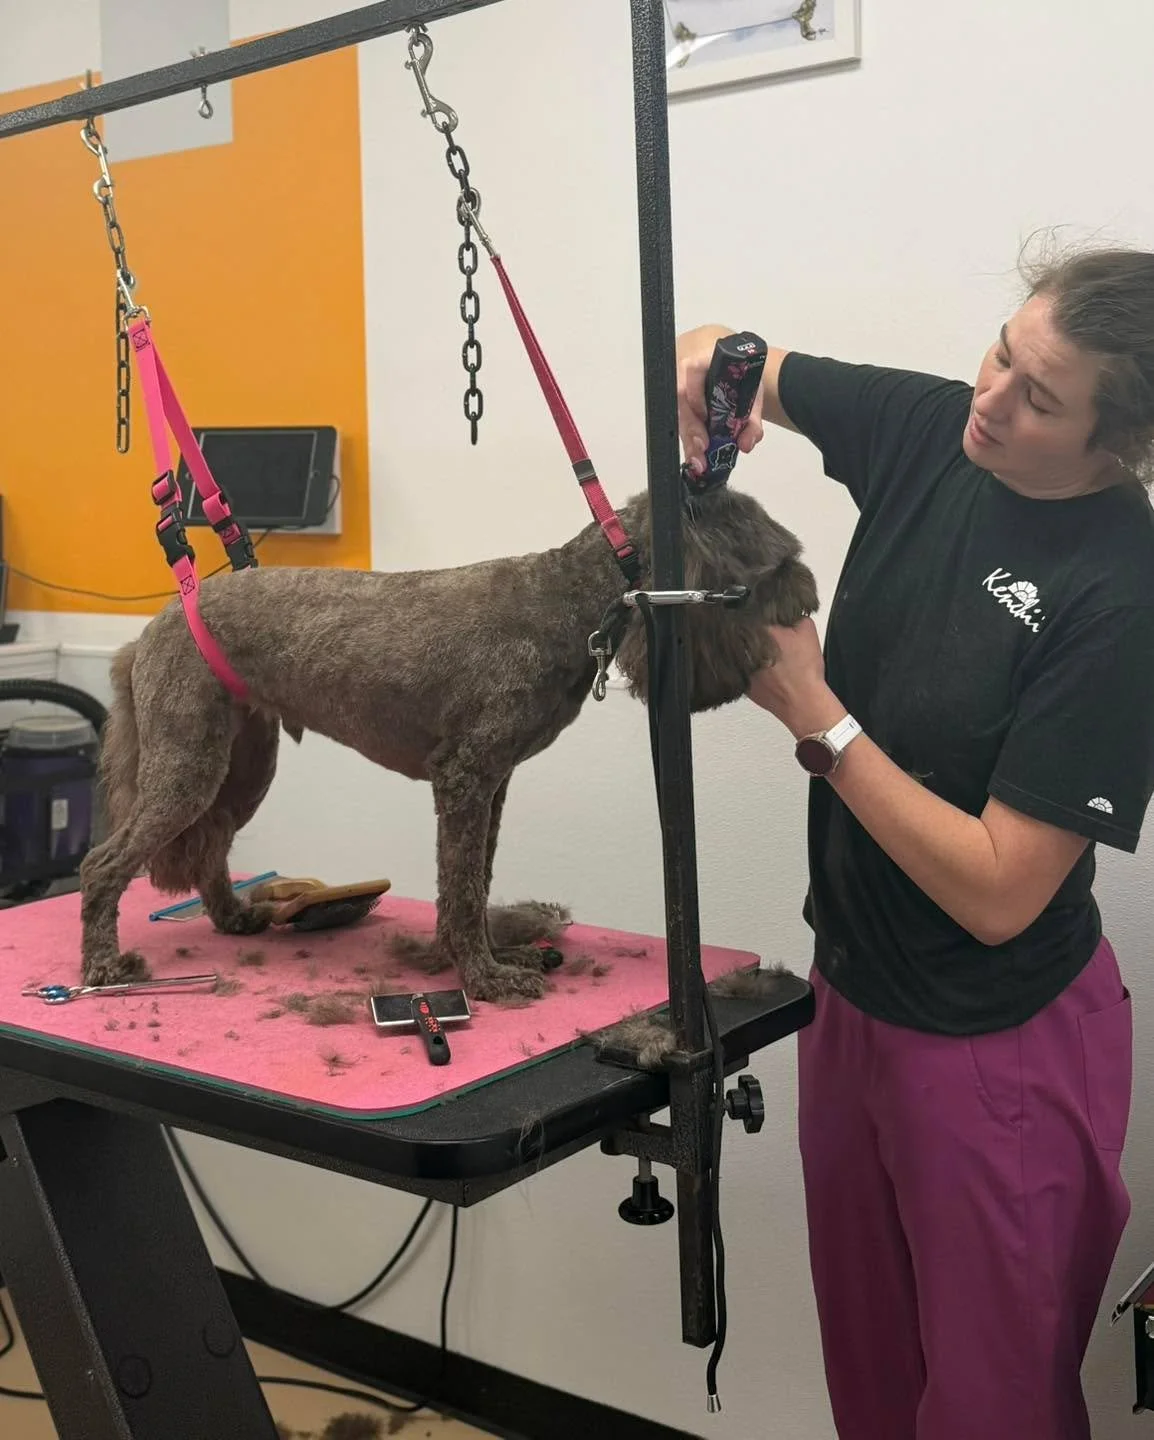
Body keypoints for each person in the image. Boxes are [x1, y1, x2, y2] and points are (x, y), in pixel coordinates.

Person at [675, 243, 1154, 1440]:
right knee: (872, 1377)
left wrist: (816, 717)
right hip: (849, 999)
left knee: (991, 1408)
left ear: (1116, 443)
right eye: (1000, 351)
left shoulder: (1119, 595)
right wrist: (709, 387)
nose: (990, 399)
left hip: (998, 1045)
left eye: (1039, 398)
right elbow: (730, 355)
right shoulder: (933, 427)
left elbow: (998, 892)